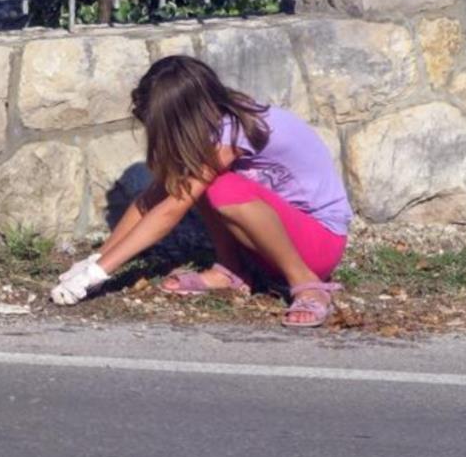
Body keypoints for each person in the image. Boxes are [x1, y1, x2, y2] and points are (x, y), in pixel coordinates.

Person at [50, 54, 353, 328]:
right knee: (197, 183)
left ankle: (307, 284)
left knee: (223, 189)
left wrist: (99, 274)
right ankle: (231, 272)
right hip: (277, 246)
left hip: (319, 245)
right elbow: (153, 199)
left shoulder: (232, 131)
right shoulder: (213, 125)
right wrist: (95, 261)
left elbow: (171, 210)